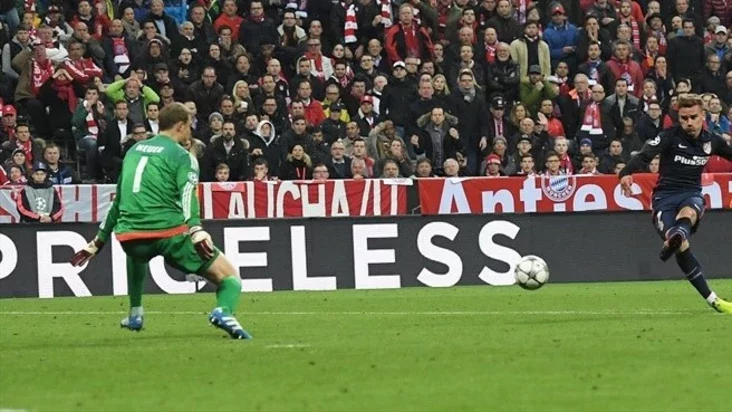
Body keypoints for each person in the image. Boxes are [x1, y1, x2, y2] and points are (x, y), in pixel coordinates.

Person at [69, 103, 253, 339]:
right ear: (180, 126)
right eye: (189, 126)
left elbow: (119, 199)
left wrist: (98, 241)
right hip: (169, 234)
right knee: (230, 278)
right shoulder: (182, 156)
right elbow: (188, 194)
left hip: (129, 236)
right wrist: (195, 228)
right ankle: (223, 311)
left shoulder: (134, 150)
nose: (190, 131)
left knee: (138, 251)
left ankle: (135, 313)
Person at [619, 94, 732, 314]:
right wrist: (625, 172)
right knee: (681, 246)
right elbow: (645, 155)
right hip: (664, 199)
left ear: (703, 116)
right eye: (684, 118)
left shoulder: (713, 141)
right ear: (678, 118)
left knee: (690, 211)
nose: (689, 122)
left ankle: (676, 235)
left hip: (691, 194)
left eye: (693, 117)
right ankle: (712, 299)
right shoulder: (669, 136)